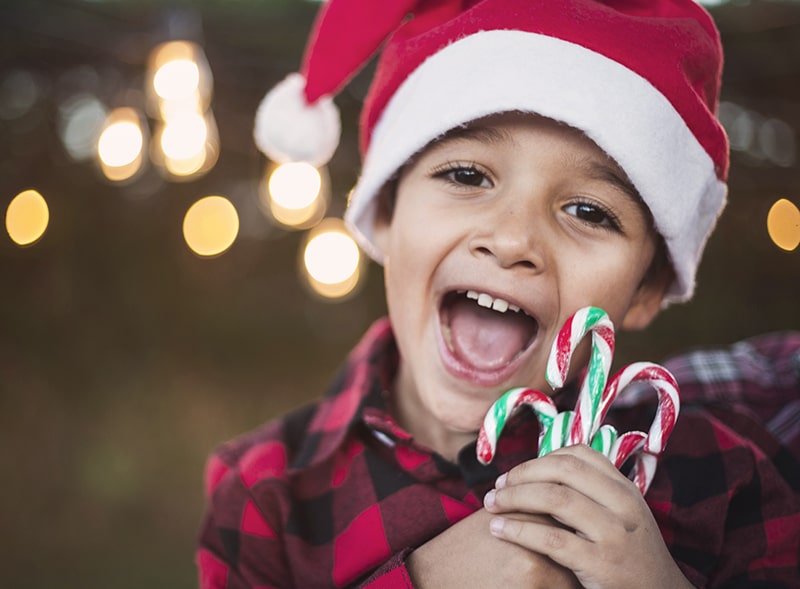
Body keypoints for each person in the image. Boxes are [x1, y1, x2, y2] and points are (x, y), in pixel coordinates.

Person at [196, 0, 800, 587]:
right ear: (382, 212)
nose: (512, 239)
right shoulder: (266, 496)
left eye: (589, 211)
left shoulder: (724, 476)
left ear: (647, 290)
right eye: (466, 175)